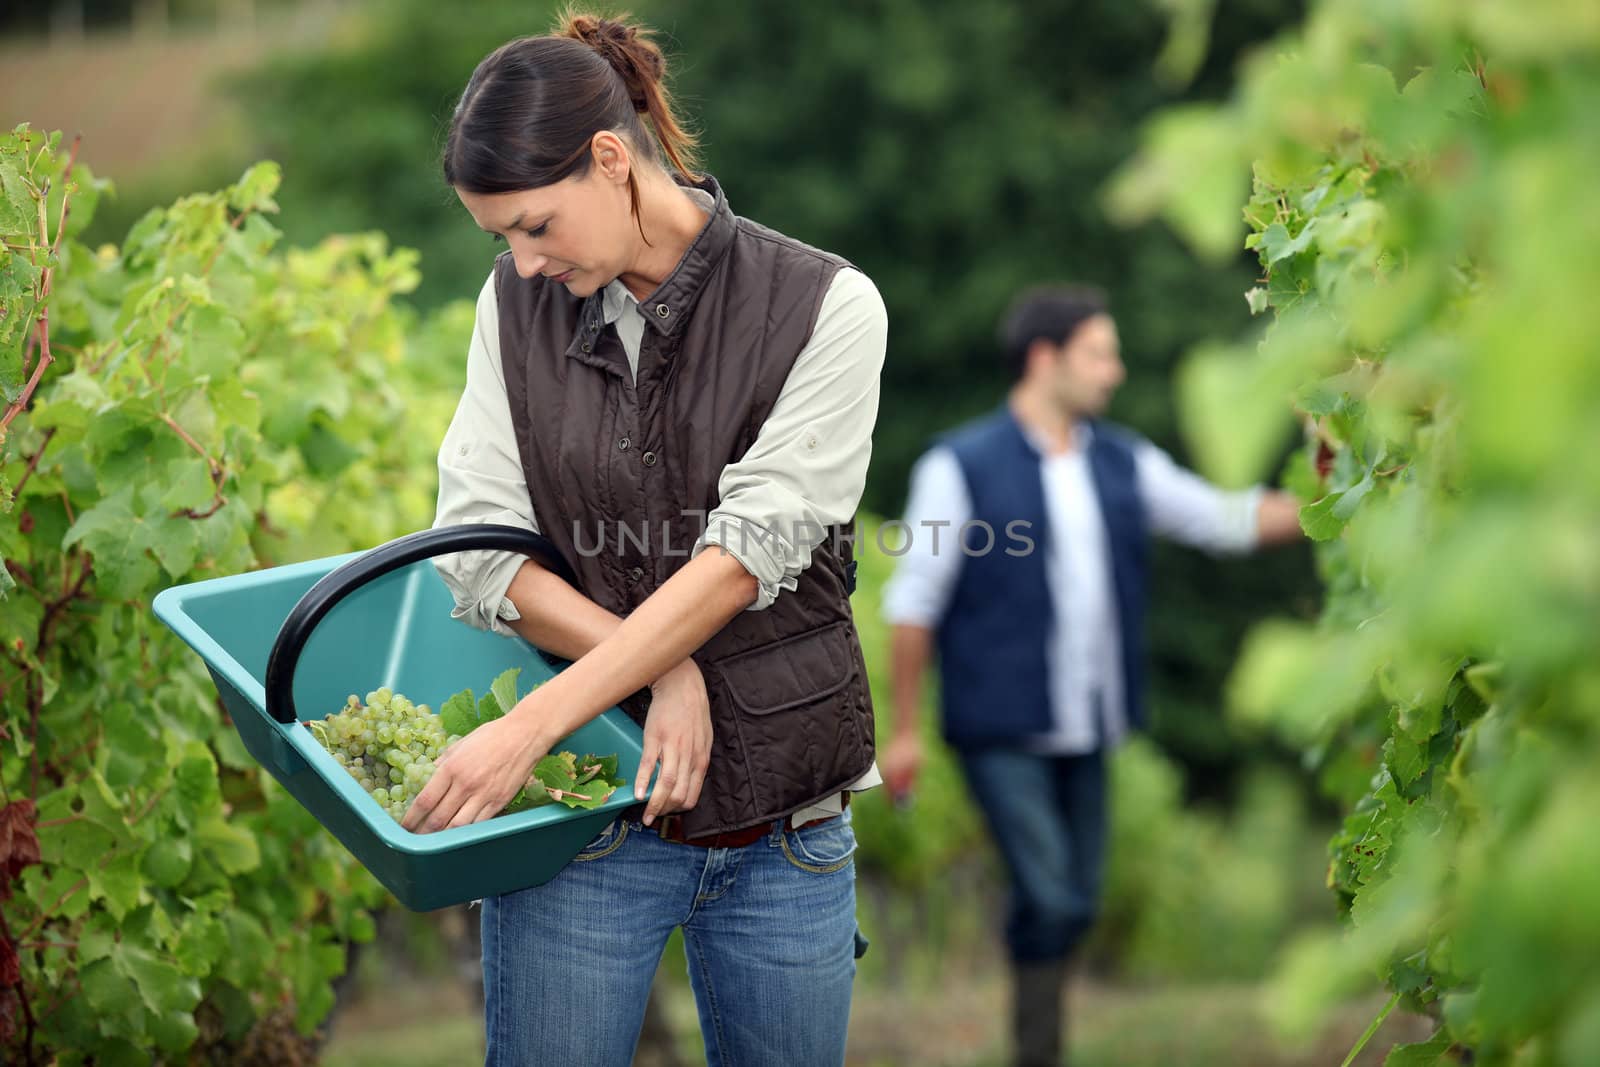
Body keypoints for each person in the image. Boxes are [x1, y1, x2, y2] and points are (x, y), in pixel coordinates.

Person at [403, 13, 888, 1067]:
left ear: (611, 160)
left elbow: (743, 559)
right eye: (502, 239)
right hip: (583, 829)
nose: (523, 264)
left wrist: (526, 724)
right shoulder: (513, 308)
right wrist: (661, 670)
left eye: (535, 226)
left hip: (783, 834)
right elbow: (477, 548)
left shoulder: (829, 307)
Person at [880, 284, 1303, 1067]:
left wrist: (1330, 498)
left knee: (1076, 903)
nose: (1114, 371)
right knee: (1052, 895)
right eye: (1099, 354)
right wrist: (904, 731)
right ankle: (1035, 1046)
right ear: (1045, 359)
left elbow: (1223, 519)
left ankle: (1036, 1050)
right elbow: (914, 603)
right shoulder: (959, 465)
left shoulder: (1123, 460)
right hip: (998, 726)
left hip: (1093, 721)